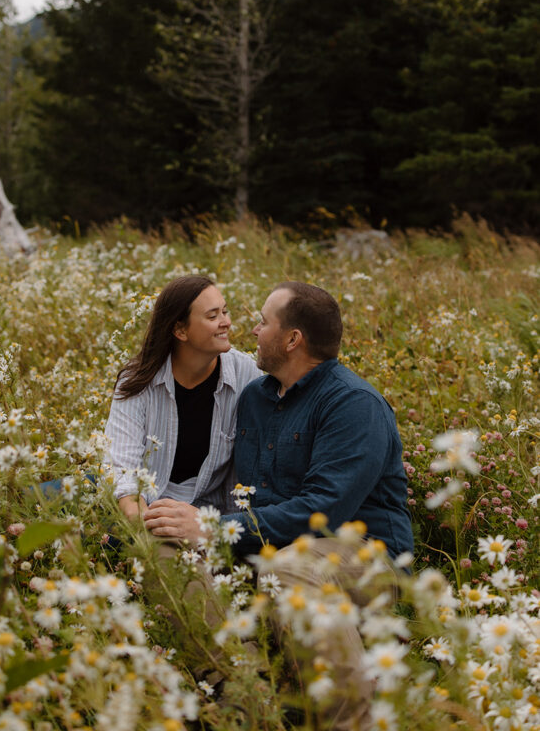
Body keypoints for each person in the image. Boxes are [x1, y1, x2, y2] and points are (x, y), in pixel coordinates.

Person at [143, 280, 414, 730]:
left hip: (362, 554)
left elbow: (322, 513)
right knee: (165, 550)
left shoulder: (354, 405)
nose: (252, 330)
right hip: (267, 549)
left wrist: (211, 526)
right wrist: (184, 521)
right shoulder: (256, 398)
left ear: (292, 339)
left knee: (291, 567)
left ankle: (349, 721)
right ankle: (248, 697)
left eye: (263, 322)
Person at [104, 274, 259, 520]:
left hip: (204, 514)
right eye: (212, 316)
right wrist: (146, 528)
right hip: (140, 507)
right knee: (40, 503)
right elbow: (123, 471)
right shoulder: (138, 381)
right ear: (180, 330)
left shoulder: (247, 374)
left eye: (225, 312)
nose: (226, 322)